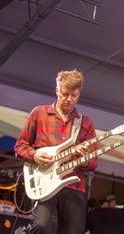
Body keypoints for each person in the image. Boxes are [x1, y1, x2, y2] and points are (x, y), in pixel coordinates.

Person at [14, 69, 97, 234]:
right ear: (57, 90)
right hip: (44, 181)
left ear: (79, 93)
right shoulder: (39, 113)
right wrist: (35, 155)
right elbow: (20, 146)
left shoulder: (86, 123)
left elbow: (92, 164)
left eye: (74, 95)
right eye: (65, 94)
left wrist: (84, 158)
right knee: (42, 226)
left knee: (72, 231)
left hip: (73, 185)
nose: (69, 99)